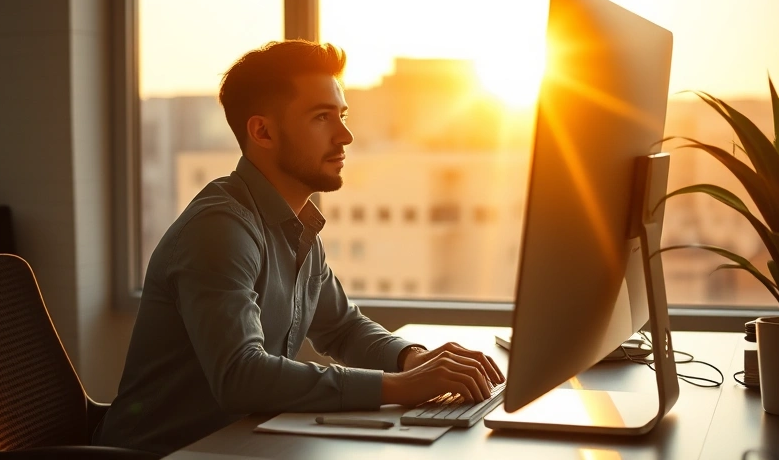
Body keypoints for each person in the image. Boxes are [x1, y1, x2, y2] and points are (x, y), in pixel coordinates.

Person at [94, 40, 504, 457]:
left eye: (341, 116)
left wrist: (411, 359)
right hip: (170, 454)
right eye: (322, 117)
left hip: (240, 445)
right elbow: (241, 376)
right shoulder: (218, 229)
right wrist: (400, 387)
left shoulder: (298, 226)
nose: (345, 135)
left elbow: (342, 327)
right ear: (262, 131)